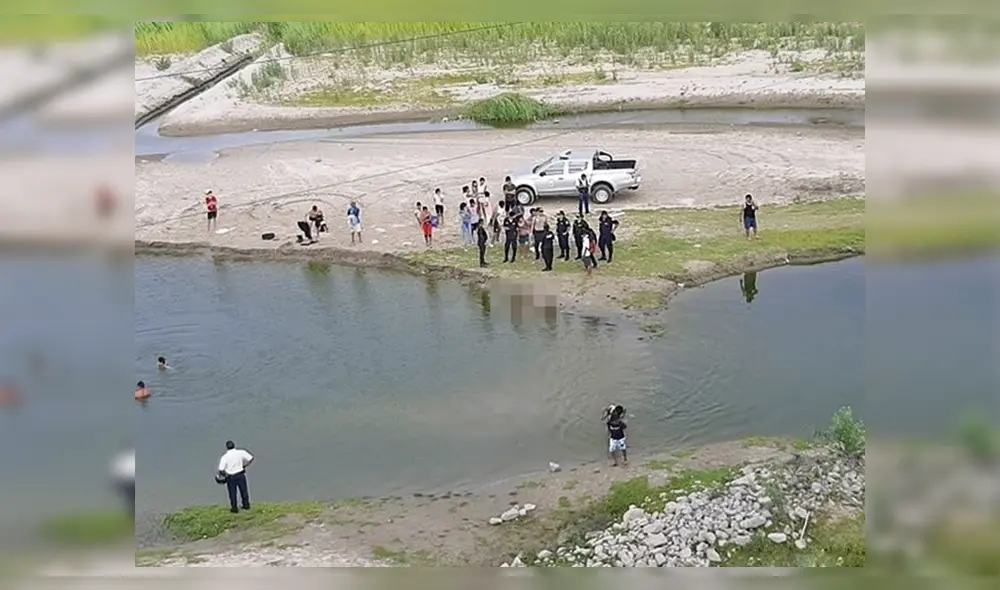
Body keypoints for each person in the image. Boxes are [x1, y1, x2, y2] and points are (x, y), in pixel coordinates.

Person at [217, 440, 253, 513]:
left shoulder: (225, 457)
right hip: (240, 473)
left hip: (231, 476)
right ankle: (246, 505)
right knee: (244, 490)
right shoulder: (241, 452)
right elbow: (251, 458)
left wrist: (224, 475)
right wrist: (245, 465)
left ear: (227, 447)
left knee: (232, 493)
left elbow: (221, 469)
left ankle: (234, 508)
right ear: (234, 445)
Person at [110, 448, 135, 520]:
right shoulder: (122, 458)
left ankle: (132, 513)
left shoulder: (123, 458)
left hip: (131, 482)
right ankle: (131, 514)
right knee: (129, 499)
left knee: (131, 499)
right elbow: (118, 472)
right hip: (127, 482)